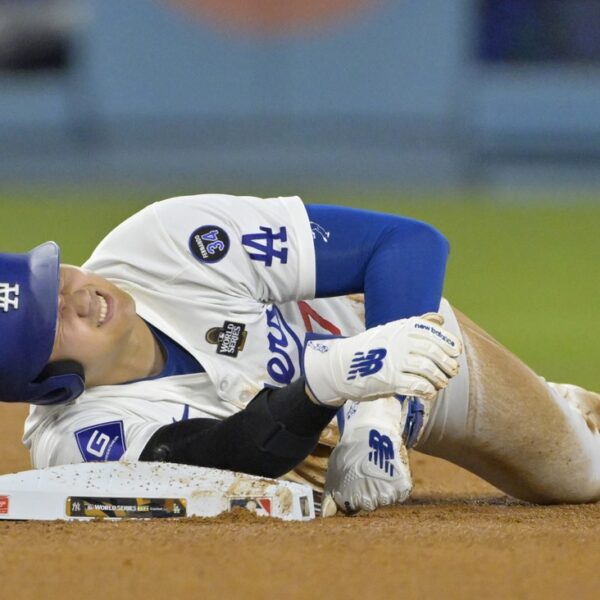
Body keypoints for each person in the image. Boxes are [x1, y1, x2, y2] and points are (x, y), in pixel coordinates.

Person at [1, 194, 598, 516]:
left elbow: (407, 241)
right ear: (54, 388)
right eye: (49, 323)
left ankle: (558, 406)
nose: (76, 296)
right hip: (296, 429)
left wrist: (377, 410)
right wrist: (324, 381)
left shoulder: (164, 242)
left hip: (400, 348)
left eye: (54, 279)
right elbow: (224, 458)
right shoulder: (76, 440)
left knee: (579, 477)